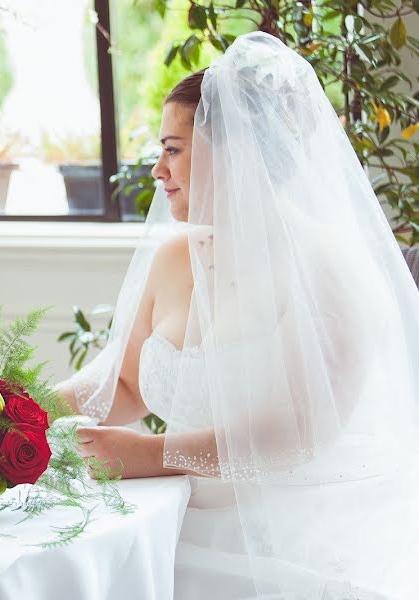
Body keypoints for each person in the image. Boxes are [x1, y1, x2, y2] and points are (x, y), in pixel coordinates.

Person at [58, 32, 419, 598]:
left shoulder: (328, 267)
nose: (157, 170)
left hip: (303, 526)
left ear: (236, 151)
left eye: (173, 149)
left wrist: (153, 454)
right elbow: (123, 383)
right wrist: (13, 405)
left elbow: (306, 429)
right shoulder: (173, 258)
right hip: (176, 511)